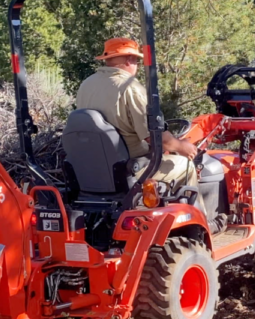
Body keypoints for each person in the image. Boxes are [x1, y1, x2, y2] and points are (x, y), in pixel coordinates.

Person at [75, 37, 203, 199]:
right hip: (128, 167)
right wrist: (182, 146)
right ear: (130, 59)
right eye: (136, 60)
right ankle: (199, 221)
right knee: (185, 165)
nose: (137, 64)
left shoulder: (86, 85)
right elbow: (155, 138)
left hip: (94, 169)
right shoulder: (130, 88)